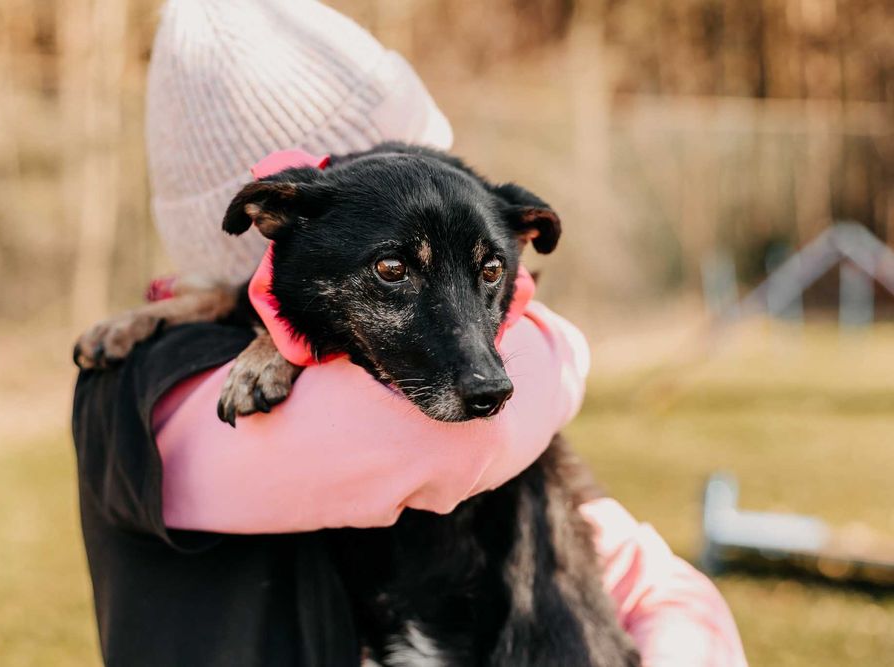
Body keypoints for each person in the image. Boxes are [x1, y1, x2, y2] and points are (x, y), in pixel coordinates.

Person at [72, 1, 748, 665]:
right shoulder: (144, 385)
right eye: (395, 263)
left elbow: (655, 582)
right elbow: (456, 446)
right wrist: (560, 349)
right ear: (277, 213)